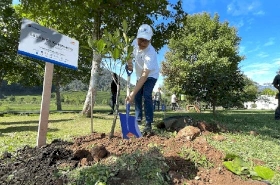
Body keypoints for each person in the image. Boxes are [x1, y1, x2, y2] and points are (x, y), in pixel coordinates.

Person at [126, 24, 159, 136]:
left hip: (151, 75)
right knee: (137, 95)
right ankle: (138, 118)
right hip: (140, 75)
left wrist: (132, 93)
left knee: (146, 94)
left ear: (150, 40)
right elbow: (129, 53)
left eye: (146, 41)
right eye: (140, 39)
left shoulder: (151, 52)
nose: (142, 43)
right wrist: (129, 63)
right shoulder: (134, 43)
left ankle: (148, 122)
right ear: (137, 37)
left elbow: (145, 76)